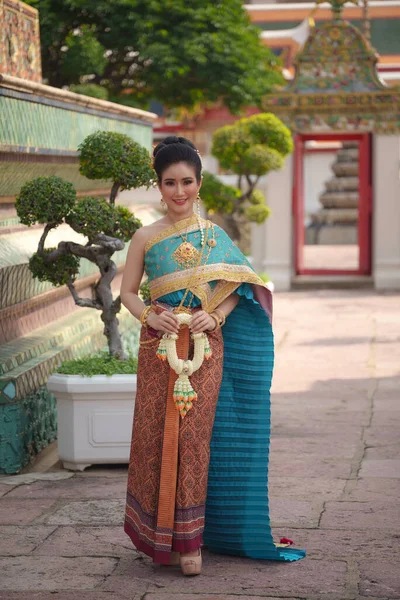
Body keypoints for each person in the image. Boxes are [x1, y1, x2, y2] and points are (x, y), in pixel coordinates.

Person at [120, 136, 305, 576]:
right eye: (169, 183)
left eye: (187, 182)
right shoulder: (145, 237)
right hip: (158, 348)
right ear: (159, 186)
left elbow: (242, 288)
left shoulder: (214, 235)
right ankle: (155, 536)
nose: (179, 192)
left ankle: (190, 542)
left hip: (205, 349)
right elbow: (126, 292)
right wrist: (149, 315)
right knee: (156, 439)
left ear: (199, 184)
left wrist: (215, 317)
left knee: (196, 440)